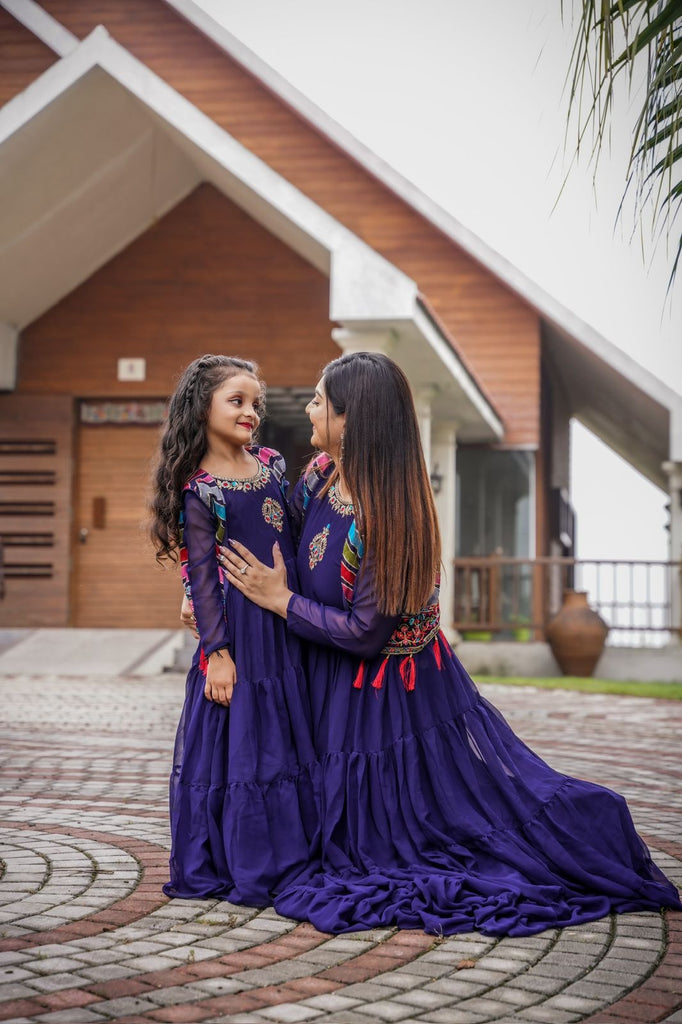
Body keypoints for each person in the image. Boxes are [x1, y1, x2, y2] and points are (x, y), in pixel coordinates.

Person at [220, 350, 682, 936]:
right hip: (329, 680)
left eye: (318, 401)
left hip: (386, 699)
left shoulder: (388, 515)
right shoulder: (318, 477)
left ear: (350, 421)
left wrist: (281, 601)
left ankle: (587, 832)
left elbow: (365, 633)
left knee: (411, 838)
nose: (308, 409)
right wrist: (201, 581)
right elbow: (266, 534)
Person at [149, 354, 318, 906]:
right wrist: (215, 653)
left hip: (282, 627)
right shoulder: (201, 491)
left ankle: (291, 852)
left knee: (281, 741)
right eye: (237, 401)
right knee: (237, 745)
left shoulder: (271, 465)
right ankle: (235, 858)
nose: (251, 412)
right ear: (203, 408)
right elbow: (200, 569)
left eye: (255, 403)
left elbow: (296, 531)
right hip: (238, 636)